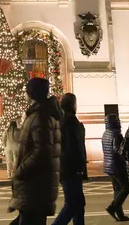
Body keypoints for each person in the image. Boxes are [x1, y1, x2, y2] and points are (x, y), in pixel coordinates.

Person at [9, 77, 62, 225]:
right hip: (35, 185)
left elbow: (42, 152)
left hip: (35, 185)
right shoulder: (38, 114)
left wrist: (21, 171)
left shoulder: (40, 116)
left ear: (32, 93)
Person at [52, 93, 87, 225]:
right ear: (72, 105)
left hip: (68, 167)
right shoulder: (69, 121)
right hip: (70, 168)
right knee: (73, 204)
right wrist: (78, 164)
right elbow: (73, 146)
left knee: (78, 203)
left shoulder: (64, 120)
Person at [102, 114, 129, 222]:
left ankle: (120, 214)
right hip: (117, 165)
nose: (119, 122)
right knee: (126, 187)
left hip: (108, 165)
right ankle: (113, 207)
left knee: (117, 189)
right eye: (117, 120)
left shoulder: (105, 133)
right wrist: (126, 143)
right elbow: (118, 150)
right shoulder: (116, 134)